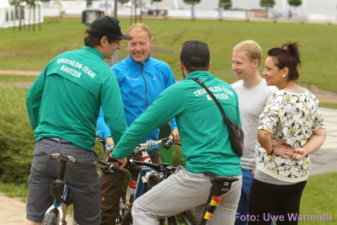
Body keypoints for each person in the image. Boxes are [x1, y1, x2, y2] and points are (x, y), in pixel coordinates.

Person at [110, 40, 242, 225]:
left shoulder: (180, 91)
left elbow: (142, 125)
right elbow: (238, 132)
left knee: (142, 209)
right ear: (209, 65)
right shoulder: (228, 90)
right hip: (234, 178)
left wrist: (118, 154)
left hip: (201, 176)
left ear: (182, 65)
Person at [25, 16, 131, 225]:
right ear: (103, 41)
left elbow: (32, 99)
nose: (118, 46)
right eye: (116, 41)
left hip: (45, 149)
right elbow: (116, 121)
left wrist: (40, 132)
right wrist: (121, 154)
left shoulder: (59, 60)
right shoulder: (104, 73)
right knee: (90, 219)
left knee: (34, 219)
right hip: (78, 154)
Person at [96, 23, 178, 225]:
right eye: (133, 44)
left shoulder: (163, 70)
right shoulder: (116, 72)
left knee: (152, 205)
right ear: (126, 45)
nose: (138, 48)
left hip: (151, 146)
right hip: (120, 145)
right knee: (107, 205)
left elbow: (175, 103)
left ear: (151, 43)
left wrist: (176, 127)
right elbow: (101, 111)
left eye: (142, 43)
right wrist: (107, 137)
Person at [248, 43, 326, 225]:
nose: (264, 73)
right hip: (298, 177)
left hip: (270, 176)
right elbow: (320, 133)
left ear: (284, 71)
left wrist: (271, 150)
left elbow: (262, 134)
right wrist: (304, 150)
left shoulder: (278, 98)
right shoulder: (309, 97)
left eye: (268, 68)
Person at [231, 40, 277, 225]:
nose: (234, 67)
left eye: (239, 63)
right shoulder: (232, 90)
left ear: (255, 62)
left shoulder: (270, 92)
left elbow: (276, 134)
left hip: (258, 171)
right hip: (234, 169)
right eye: (233, 62)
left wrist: (264, 165)